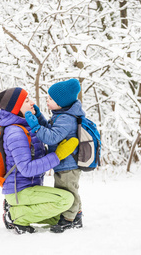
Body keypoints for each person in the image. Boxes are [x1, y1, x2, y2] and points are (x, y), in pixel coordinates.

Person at [0, 87, 79, 234]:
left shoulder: (26, 126)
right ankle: (15, 216)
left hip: (29, 189)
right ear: (17, 107)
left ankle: (15, 209)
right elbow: (27, 169)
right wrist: (58, 155)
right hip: (20, 191)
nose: (32, 102)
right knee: (66, 200)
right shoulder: (16, 133)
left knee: (63, 216)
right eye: (26, 100)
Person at [25, 79, 85, 233]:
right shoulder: (62, 114)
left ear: (61, 103)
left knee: (68, 191)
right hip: (64, 163)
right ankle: (75, 215)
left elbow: (51, 137)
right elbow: (51, 129)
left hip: (69, 164)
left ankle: (69, 220)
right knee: (67, 189)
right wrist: (39, 117)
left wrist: (35, 127)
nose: (47, 100)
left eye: (51, 99)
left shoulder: (66, 119)